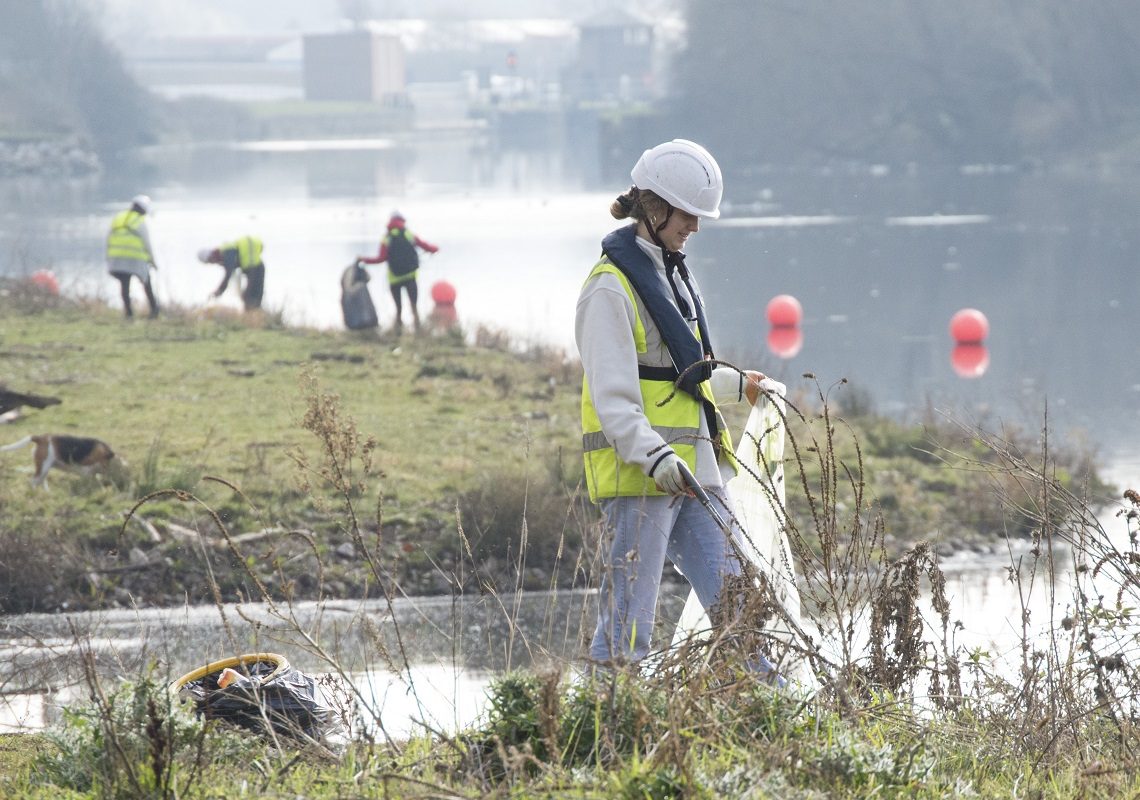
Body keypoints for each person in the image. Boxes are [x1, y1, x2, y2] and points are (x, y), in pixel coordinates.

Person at [576, 138, 780, 677]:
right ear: (655, 207)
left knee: (742, 610)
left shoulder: (673, 277)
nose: (695, 227)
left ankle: (777, 715)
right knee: (627, 630)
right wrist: (658, 459)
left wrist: (741, 386)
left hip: (695, 473)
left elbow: (683, 372)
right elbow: (615, 401)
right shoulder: (609, 290)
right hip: (642, 477)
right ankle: (602, 734)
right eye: (688, 215)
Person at [355, 211, 439, 331]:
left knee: (398, 308)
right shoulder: (408, 234)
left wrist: (364, 259)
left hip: (394, 278)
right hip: (410, 276)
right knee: (414, 306)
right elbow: (425, 246)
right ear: (402, 221)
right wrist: (435, 249)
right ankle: (418, 331)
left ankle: (398, 332)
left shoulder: (387, 238)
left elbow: (381, 259)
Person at [105, 194, 159, 319]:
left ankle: (128, 314)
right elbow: (147, 243)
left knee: (124, 285)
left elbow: (108, 238)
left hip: (116, 259)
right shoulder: (139, 221)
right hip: (135, 259)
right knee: (146, 282)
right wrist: (153, 261)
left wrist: (108, 259)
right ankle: (154, 311)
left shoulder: (118, 217)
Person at [198, 236, 266, 311]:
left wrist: (219, 291)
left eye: (210, 260)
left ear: (212, 254)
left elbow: (228, 274)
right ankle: (256, 317)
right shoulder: (228, 252)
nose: (213, 263)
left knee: (250, 297)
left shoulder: (227, 252)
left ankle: (255, 318)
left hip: (255, 269)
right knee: (251, 297)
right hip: (255, 268)